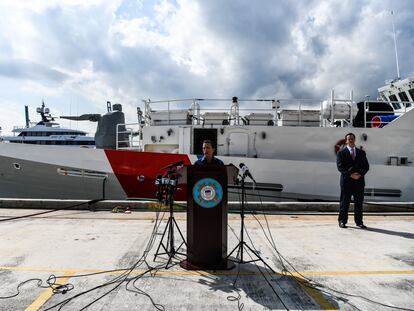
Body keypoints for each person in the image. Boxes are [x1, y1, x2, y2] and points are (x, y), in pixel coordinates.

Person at [336, 133, 369, 229]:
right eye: (349, 139)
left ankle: (359, 222)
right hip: (346, 182)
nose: (350, 140)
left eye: (352, 139)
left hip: (359, 181)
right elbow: (340, 167)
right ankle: (342, 221)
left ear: (354, 140)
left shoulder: (361, 153)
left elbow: (366, 166)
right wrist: (350, 175)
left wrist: (360, 175)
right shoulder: (341, 153)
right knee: (344, 202)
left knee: (359, 203)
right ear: (346, 140)